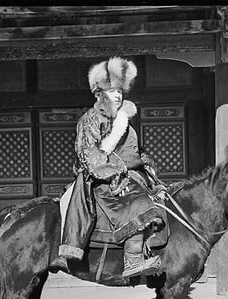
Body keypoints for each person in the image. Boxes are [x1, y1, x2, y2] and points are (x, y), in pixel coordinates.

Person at [59, 56, 164, 278]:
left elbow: (135, 152)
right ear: (99, 94)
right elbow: (89, 156)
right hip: (101, 180)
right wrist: (117, 173)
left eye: (120, 91)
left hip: (130, 174)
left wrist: (147, 166)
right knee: (138, 204)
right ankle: (132, 260)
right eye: (112, 91)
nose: (118, 95)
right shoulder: (90, 120)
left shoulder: (124, 121)